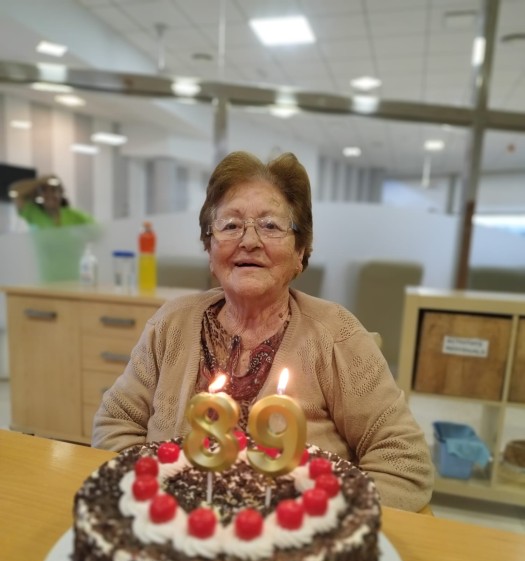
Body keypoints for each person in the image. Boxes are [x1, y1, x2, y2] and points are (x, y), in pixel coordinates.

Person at [92, 151, 434, 511]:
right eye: (230, 225)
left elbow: (403, 461)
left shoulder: (337, 335)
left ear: (300, 251)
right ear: (209, 249)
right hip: (172, 529)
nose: (249, 241)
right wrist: (153, 500)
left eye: (270, 226)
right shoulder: (170, 324)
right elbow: (116, 423)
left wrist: (324, 519)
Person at [10, 173, 94, 228]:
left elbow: (96, 230)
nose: (50, 194)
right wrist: (40, 182)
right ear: (38, 195)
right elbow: (15, 192)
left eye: (54, 190)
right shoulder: (34, 213)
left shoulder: (74, 215)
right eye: (44, 190)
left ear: (61, 192)